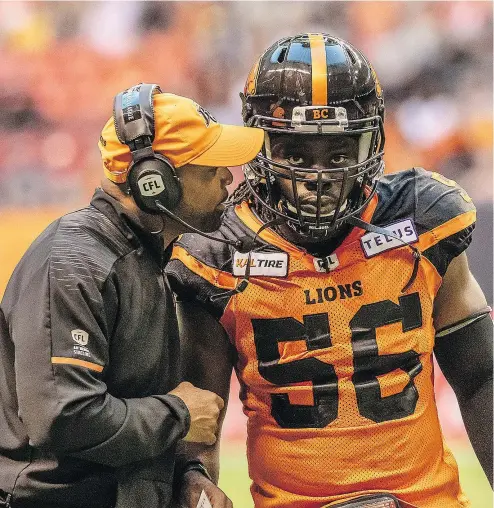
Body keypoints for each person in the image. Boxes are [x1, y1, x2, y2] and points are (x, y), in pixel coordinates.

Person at [166, 34, 493, 508]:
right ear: (260, 145)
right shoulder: (216, 256)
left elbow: (481, 375)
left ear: (373, 142)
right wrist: (194, 479)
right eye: (295, 155)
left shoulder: (420, 221)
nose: (317, 178)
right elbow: (200, 419)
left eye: (338, 154)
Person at [0, 83, 264, 508]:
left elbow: (132, 401)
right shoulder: (75, 263)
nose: (228, 178)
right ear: (154, 184)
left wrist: (187, 474)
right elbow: (64, 416)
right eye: (210, 167)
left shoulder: (145, 258)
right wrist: (178, 417)